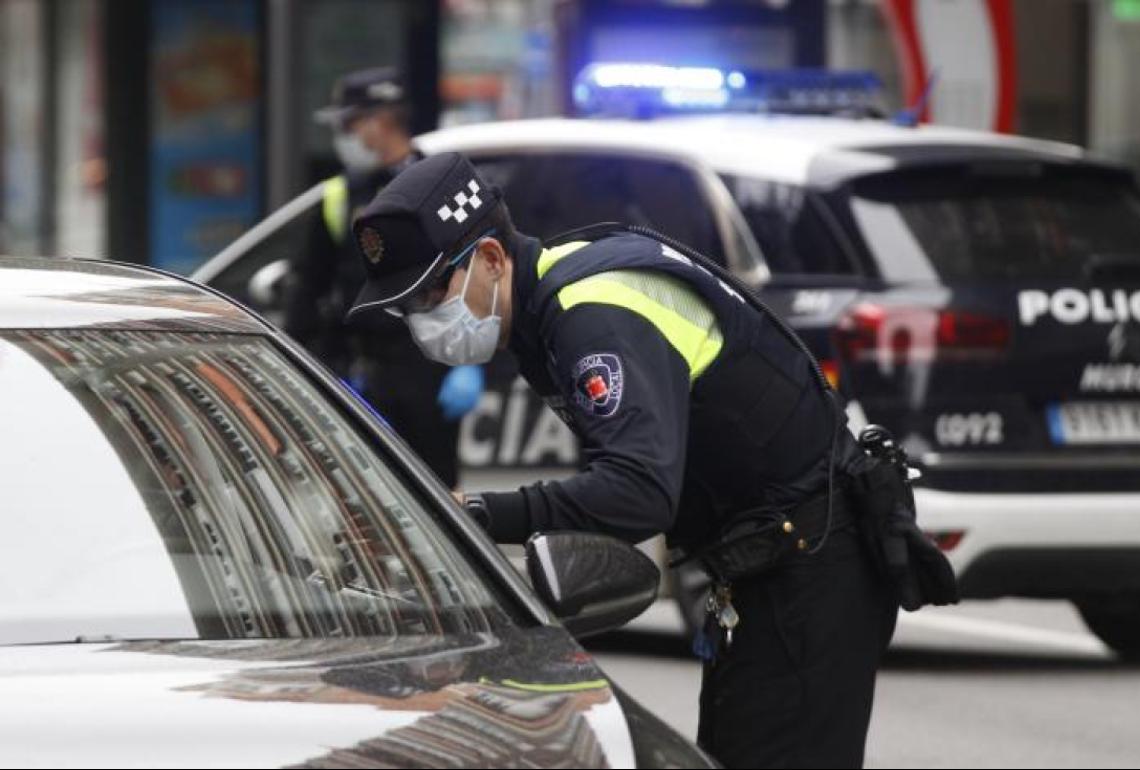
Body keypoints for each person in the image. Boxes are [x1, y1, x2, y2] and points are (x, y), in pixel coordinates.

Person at [343, 152, 901, 768]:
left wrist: (474, 514)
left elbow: (637, 490)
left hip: (809, 565)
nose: (422, 320)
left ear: (493, 259)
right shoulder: (549, 301)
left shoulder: (592, 313)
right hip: (775, 563)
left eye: (430, 294)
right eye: (407, 308)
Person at [284, 67, 480, 488]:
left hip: (430, 367)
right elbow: (309, 284)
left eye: (348, 124)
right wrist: (308, 365)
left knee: (436, 493)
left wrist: (476, 363)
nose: (342, 136)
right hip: (361, 368)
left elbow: (482, 271)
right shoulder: (342, 193)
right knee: (366, 493)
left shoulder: (442, 182)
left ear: (381, 120)